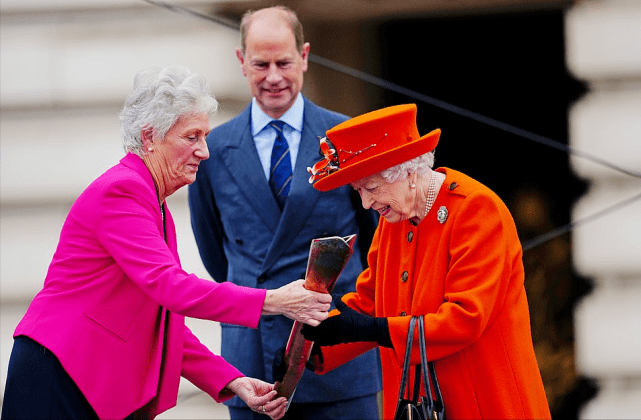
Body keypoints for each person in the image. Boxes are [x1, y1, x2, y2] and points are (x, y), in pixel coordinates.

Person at [1, 65, 333, 420]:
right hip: (62, 373)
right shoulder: (122, 191)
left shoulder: (150, 199)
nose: (204, 151)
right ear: (149, 137)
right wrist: (275, 301)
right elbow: (173, 289)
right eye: (192, 137)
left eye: (204, 137)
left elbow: (163, 315)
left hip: (86, 378)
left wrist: (231, 380)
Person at [188, 6, 382, 420]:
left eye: (284, 63)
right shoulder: (213, 150)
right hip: (252, 367)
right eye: (261, 64)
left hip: (338, 355)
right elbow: (215, 256)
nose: (273, 77)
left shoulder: (346, 138)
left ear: (306, 57)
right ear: (242, 62)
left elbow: (376, 241)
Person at [299, 104, 552, 419]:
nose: (365, 203)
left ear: (408, 171)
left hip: (484, 402)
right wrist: (308, 349)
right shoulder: (393, 222)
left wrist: (373, 330)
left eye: (372, 188)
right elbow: (369, 304)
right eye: (358, 191)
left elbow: (464, 318)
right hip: (418, 406)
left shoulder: (476, 211)